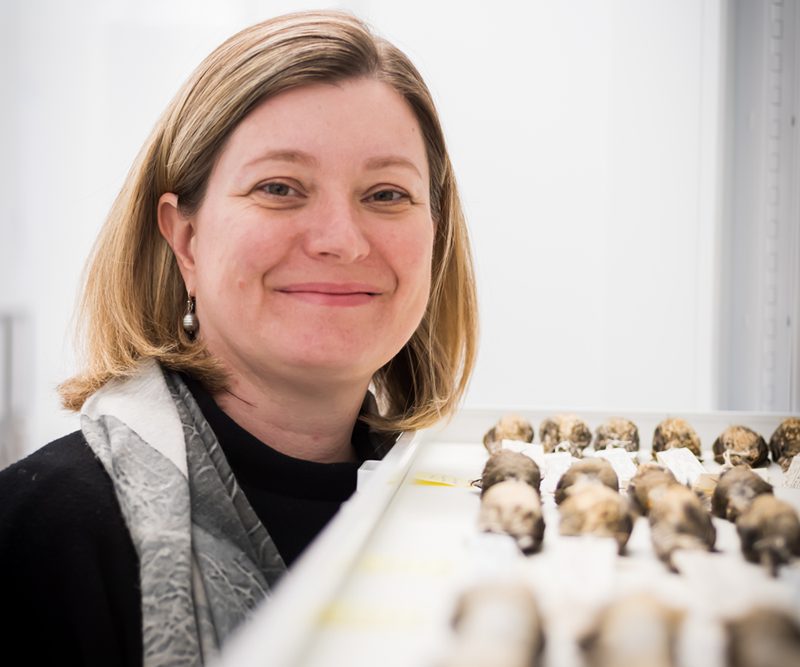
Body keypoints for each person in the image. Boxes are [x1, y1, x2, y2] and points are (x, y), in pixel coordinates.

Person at [0, 9, 477, 667]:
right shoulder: (37, 530)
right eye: (280, 187)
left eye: (387, 194)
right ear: (185, 237)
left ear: (434, 236)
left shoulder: (469, 521)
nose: (340, 238)